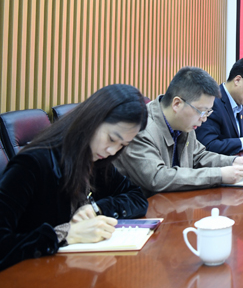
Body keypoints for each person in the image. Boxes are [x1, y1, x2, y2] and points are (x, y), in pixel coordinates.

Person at [0, 84, 149, 271]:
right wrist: (66, 234)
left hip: (68, 271)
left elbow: (137, 197)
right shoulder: (33, 163)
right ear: (93, 120)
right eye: (111, 139)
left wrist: (96, 209)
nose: (112, 151)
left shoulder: (96, 159)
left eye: (122, 145)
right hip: (27, 277)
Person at [114, 67, 243, 197]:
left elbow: (198, 156)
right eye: (201, 111)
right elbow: (157, 178)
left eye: (208, 112)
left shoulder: (184, 123)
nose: (204, 119)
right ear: (177, 104)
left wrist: (233, 161)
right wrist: (219, 175)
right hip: (144, 210)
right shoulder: (141, 128)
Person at [196, 57, 243, 155]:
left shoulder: (240, 102)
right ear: (237, 80)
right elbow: (207, 146)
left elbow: (234, 139)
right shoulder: (212, 102)